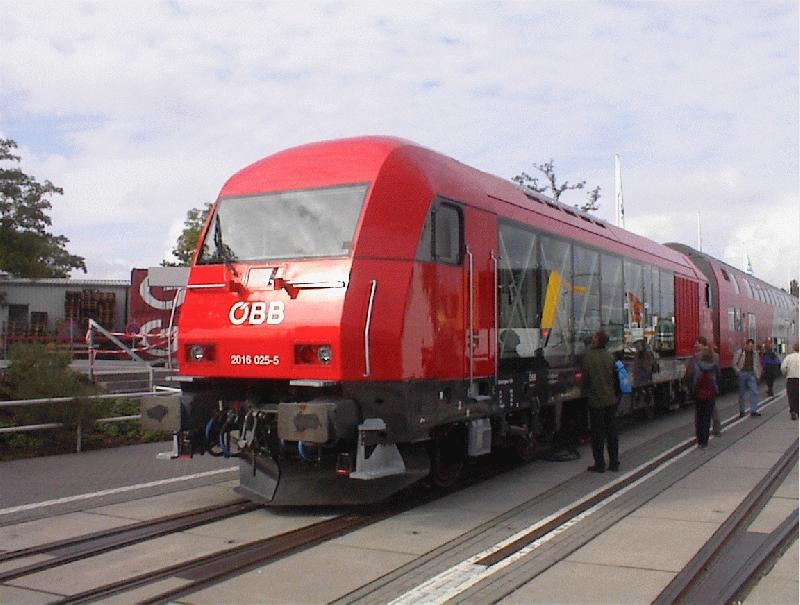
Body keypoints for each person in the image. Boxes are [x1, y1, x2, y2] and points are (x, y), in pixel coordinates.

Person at [581, 330, 619, 473]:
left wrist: (584, 392)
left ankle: (600, 464)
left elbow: (585, 380)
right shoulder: (610, 356)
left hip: (596, 402)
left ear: (597, 340)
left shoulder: (589, 357)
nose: (592, 338)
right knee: (612, 433)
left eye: (594, 337)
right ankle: (614, 463)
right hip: (610, 401)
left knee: (597, 435)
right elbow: (615, 379)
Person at [687, 336, 721, 435]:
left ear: (702, 344)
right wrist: (718, 385)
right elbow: (718, 372)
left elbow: (690, 371)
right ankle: (717, 427)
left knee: (699, 410)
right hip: (712, 385)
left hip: (700, 386)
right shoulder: (716, 356)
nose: (695, 345)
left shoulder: (697, 356)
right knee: (713, 407)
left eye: (697, 343)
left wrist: (689, 384)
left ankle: (699, 431)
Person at [691, 346, 720, 449]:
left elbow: (695, 380)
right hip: (710, 395)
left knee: (699, 417)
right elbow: (717, 378)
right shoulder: (714, 366)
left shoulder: (697, 365)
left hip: (699, 395)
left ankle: (699, 440)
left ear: (702, 356)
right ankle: (705, 442)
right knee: (707, 418)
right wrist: (716, 390)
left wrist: (694, 392)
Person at [734, 338, 762, 418]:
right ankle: (742, 411)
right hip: (742, 373)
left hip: (751, 373)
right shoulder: (740, 352)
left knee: (754, 391)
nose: (751, 348)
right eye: (749, 346)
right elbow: (734, 363)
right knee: (741, 393)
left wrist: (758, 375)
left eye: (752, 346)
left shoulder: (755, 353)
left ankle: (753, 410)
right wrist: (738, 371)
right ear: (746, 345)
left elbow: (757, 364)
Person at [781, 343, 799, 420]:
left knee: (791, 396)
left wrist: (785, 374)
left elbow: (783, 368)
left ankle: (793, 411)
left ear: (793, 348)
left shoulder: (788, 357)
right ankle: (798, 410)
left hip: (791, 379)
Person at [614, 351, 633, 415]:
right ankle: (626, 411)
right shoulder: (624, 365)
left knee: (620, 400)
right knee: (626, 399)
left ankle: (619, 412)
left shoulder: (615, 364)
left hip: (621, 387)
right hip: (627, 387)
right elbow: (629, 377)